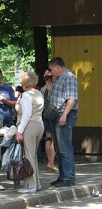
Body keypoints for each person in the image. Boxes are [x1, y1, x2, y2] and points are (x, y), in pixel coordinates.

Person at [44, 57, 78, 187]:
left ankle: (69, 177)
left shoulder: (69, 77)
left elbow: (71, 99)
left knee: (64, 147)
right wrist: (47, 80)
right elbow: (52, 92)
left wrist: (64, 115)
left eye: (51, 69)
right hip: (57, 115)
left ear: (57, 67)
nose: (50, 72)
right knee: (59, 147)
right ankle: (63, 176)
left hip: (65, 115)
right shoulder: (59, 79)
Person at [15, 71, 44, 194]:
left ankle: (30, 185)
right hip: (39, 124)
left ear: (24, 83)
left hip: (29, 125)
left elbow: (26, 115)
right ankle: (36, 184)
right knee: (33, 155)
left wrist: (19, 131)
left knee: (28, 155)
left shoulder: (26, 95)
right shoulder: (38, 93)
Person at [40, 85, 58, 172]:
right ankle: (51, 163)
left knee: (48, 138)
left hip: (46, 113)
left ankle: (49, 162)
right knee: (54, 139)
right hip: (54, 113)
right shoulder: (56, 87)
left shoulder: (43, 89)